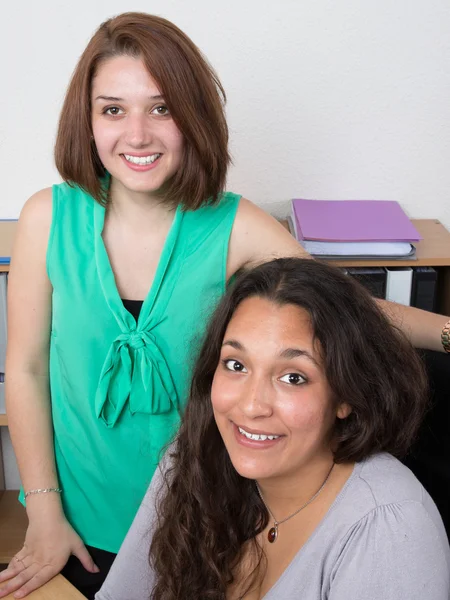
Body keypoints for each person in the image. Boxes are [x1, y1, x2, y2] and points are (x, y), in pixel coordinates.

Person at [0, 10, 449, 600]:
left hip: (199, 520)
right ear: (87, 122)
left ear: (193, 116)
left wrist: (446, 331)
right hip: (75, 524)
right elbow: (27, 371)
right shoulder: (45, 218)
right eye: (113, 109)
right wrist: (44, 513)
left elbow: (343, 311)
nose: (137, 134)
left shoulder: (234, 224)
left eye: (161, 108)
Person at [96, 258, 450, 600]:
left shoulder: (388, 528)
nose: (251, 406)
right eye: (235, 364)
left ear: (347, 395)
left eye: (293, 377)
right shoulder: (194, 452)